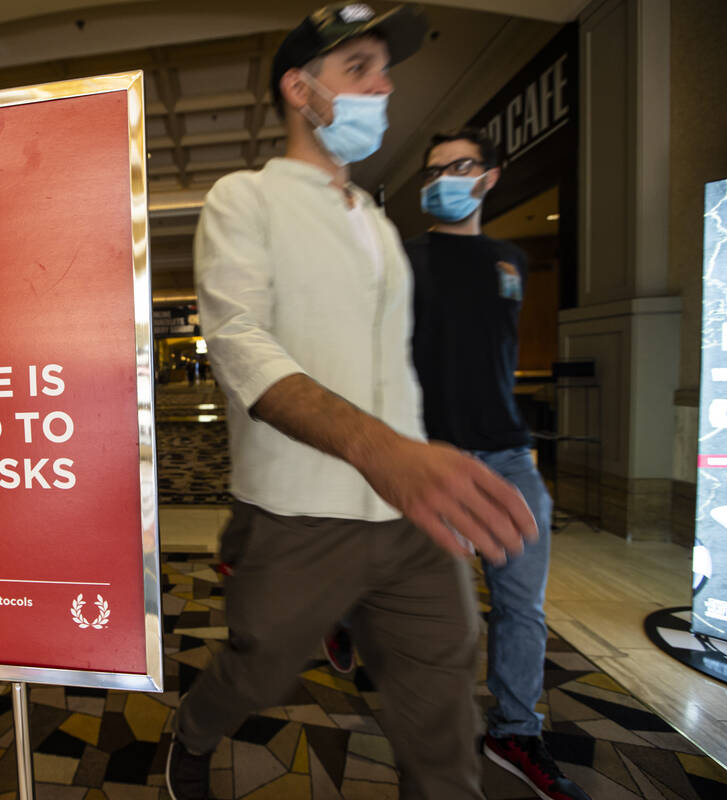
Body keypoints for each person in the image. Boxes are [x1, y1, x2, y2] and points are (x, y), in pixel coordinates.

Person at [164, 5, 538, 800]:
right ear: (302, 89)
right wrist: (379, 449)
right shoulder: (246, 198)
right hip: (300, 513)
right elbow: (238, 342)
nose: (384, 84)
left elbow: (398, 370)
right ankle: (192, 732)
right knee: (258, 667)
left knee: (441, 694)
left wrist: (433, 456)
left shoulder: (375, 220)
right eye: (359, 69)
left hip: (408, 521)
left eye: (383, 67)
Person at [407, 128, 591, 800]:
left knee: (522, 608)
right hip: (438, 458)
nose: (442, 180)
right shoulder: (405, 261)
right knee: (434, 611)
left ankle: (516, 729)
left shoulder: (511, 260)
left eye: (456, 167)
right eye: (432, 171)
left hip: (511, 457)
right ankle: (431, 737)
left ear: (489, 176)